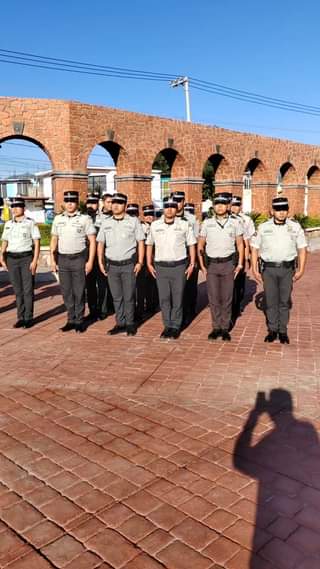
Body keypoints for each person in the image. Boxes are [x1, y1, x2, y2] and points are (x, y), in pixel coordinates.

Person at [250, 196, 307, 344]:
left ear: (288, 211)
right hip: (268, 269)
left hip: (287, 269)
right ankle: (272, 330)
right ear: (272, 211)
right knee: (271, 301)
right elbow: (255, 249)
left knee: (284, 301)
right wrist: (255, 270)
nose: (281, 212)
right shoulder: (263, 227)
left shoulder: (295, 227)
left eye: (284, 209)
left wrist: (301, 269)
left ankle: (283, 331)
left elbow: (302, 249)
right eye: (278, 209)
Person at [146, 196, 196, 339]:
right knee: (164, 298)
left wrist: (192, 263)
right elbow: (149, 244)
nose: (169, 209)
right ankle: (167, 325)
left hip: (179, 266)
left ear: (177, 208)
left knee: (178, 297)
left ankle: (175, 326)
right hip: (161, 267)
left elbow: (191, 244)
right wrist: (149, 263)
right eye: (167, 206)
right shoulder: (155, 225)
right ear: (163, 208)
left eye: (172, 206)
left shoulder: (184, 225)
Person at [198, 192, 244, 341]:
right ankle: (215, 327)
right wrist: (202, 265)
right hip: (212, 264)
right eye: (217, 204)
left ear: (228, 206)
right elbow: (201, 244)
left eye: (223, 204)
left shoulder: (235, 223)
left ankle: (224, 328)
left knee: (227, 297)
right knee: (213, 297)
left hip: (228, 264)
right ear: (213, 207)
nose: (219, 207)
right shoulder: (207, 223)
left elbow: (240, 244)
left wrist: (240, 264)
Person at [97, 192, 145, 336]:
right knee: (117, 296)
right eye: (113, 203)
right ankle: (120, 322)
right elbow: (100, 243)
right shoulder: (106, 222)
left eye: (119, 203)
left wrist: (140, 262)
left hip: (128, 264)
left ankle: (130, 323)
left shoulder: (133, 221)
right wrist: (100, 261)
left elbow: (140, 242)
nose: (115, 206)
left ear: (124, 205)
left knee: (129, 295)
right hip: (112, 265)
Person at [50, 190, 96, 333]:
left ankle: (80, 320)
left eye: (73, 201)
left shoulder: (85, 219)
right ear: (64, 203)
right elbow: (54, 240)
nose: (70, 204)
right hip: (63, 259)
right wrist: (52, 260)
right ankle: (71, 319)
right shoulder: (58, 219)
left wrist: (90, 261)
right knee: (66, 291)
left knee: (79, 290)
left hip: (79, 258)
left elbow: (92, 241)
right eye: (67, 201)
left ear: (77, 203)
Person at [0, 196, 40, 328]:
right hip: (12, 259)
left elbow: (37, 242)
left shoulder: (30, 223)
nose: (15, 209)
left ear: (24, 208)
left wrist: (34, 261)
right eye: (13, 207)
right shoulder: (8, 224)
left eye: (18, 206)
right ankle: (20, 317)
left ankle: (28, 318)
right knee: (17, 291)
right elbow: (4, 241)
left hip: (26, 258)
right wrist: (1, 256)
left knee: (27, 290)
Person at [172, 192, 200, 325]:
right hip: (174, 257)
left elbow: (194, 240)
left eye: (179, 201)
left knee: (190, 286)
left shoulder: (192, 219)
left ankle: (190, 310)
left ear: (183, 202)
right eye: (174, 200)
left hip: (188, 256)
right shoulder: (166, 217)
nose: (177, 204)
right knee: (177, 288)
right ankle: (179, 313)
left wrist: (193, 261)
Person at [230, 195, 256, 321]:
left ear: (241, 206)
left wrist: (247, 258)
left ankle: (237, 305)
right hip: (229, 255)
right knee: (230, 285)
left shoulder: (246, 220)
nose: (235, 208)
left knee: (239, 284)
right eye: (233, 205)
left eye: (237, 205)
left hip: (240, 254)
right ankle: (230, 308)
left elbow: (248, 241)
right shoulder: (226, 219)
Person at [136, 204, 158, 319]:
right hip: (141, 260)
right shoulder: (139, 227)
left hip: (154, 259)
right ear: (142, 216)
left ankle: (152, 305)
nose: (149, 217)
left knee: (153, 284)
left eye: (151, 214)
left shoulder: (157, 226)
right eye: (146, 214)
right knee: (141, 285)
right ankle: (140, 308)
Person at [85, 193, 104, 321]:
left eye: (94, 203)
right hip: (87, 255)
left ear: (98, 205)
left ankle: (102, 310)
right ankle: (92, 311)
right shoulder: (82, 218)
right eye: (89, 202)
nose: (91, 205)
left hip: (100, 255)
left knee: (102, 285)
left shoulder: (104, 219)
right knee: (90, 285)